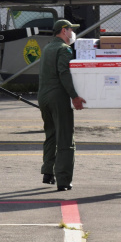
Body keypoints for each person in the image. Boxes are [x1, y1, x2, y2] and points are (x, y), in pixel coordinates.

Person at [38, 19, 86, 191]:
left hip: (43, 97)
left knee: (51, 134)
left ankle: (48, 172)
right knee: (65, 138)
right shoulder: (63, 49)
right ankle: (64, 180)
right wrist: (74, 96)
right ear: (64, 31)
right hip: (58, 97)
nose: (73, 33)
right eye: (71, 30)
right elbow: (64, 74)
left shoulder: (47, 48)